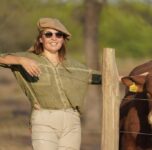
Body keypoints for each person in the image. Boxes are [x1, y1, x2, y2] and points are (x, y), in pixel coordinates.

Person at [0, 17, 101, 150]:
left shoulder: (73, 65)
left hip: (72, 121)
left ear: (63, 39)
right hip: (44, 119)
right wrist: (20, 60)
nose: (54, 38)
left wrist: (126, 78)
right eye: (48, 34)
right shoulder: (28, 59)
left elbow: (99, 77)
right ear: (41, 39)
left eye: (58, 34)